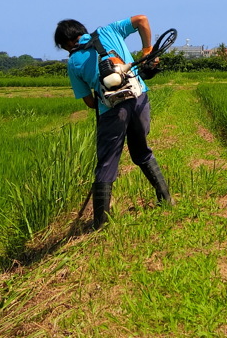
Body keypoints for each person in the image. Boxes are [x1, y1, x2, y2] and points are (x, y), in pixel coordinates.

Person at [55, 14, 173, 229]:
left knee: (107, 162)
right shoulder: (108, 31)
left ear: (68, 43)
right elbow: (141, 20)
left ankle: (100, 223)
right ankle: (166, 200)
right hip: (139, 100)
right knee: (141, 151)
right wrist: (148, 51)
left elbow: (90, 102)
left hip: (111, 111)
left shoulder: (73, 62)